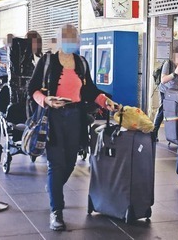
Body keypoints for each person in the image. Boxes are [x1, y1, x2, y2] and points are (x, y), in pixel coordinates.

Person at [28, 24, 116, 231]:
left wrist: (106, 102)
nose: (70, 41)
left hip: (75, 117)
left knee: (69, 164)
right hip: (53, 117)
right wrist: (46, 100)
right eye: (66, 38)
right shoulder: (47, 61)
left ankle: (53, 187)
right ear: (59, 39)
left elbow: (89, 90)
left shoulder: (82, 63)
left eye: (74, 37)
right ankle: (56, 211)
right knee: (57, 164)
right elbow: (31, 89)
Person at [153, 46, 178, 141]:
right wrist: (174, 73)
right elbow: (163, 80)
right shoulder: (168, 64)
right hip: (166, 90)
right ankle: (154, 132)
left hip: (177, 92)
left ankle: (177, 134)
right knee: (163, 111)